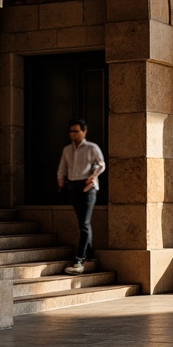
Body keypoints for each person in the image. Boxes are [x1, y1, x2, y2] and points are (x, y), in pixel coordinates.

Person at [56, 118, 106, 275]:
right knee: (82, 223)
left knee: (84, 223)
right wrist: (60, 180)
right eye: (71, 131)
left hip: (88, 187)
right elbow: (62, 167)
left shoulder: (92, 147)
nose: (73, 134)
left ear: (84, 132)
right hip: (73, 187)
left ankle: (80, 259)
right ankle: (89, 253)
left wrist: (94, 175)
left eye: (76, 131)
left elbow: (101, 164)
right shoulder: (67, 150)